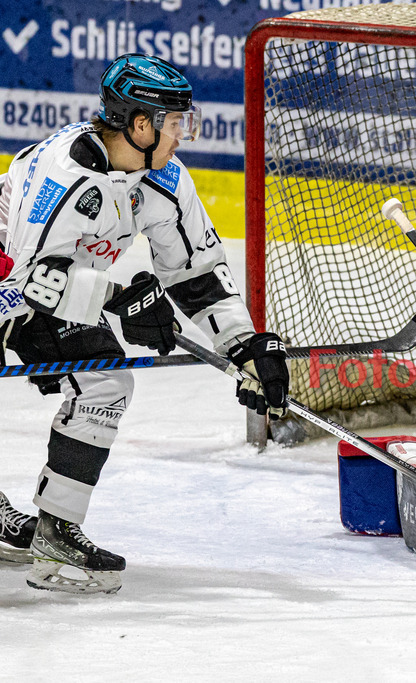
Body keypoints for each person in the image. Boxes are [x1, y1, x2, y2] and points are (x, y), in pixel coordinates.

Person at [0, 54, 290, 593]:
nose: (184, 134)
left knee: (105, 381)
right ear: (141, 125)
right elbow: (28, 280)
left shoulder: (162, 179)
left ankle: (55, 532)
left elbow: (197, 273)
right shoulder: (66, 173)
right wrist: (119, 299)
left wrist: (245, 344)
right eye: (175, 122)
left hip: (47, 283)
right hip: (10, 276)